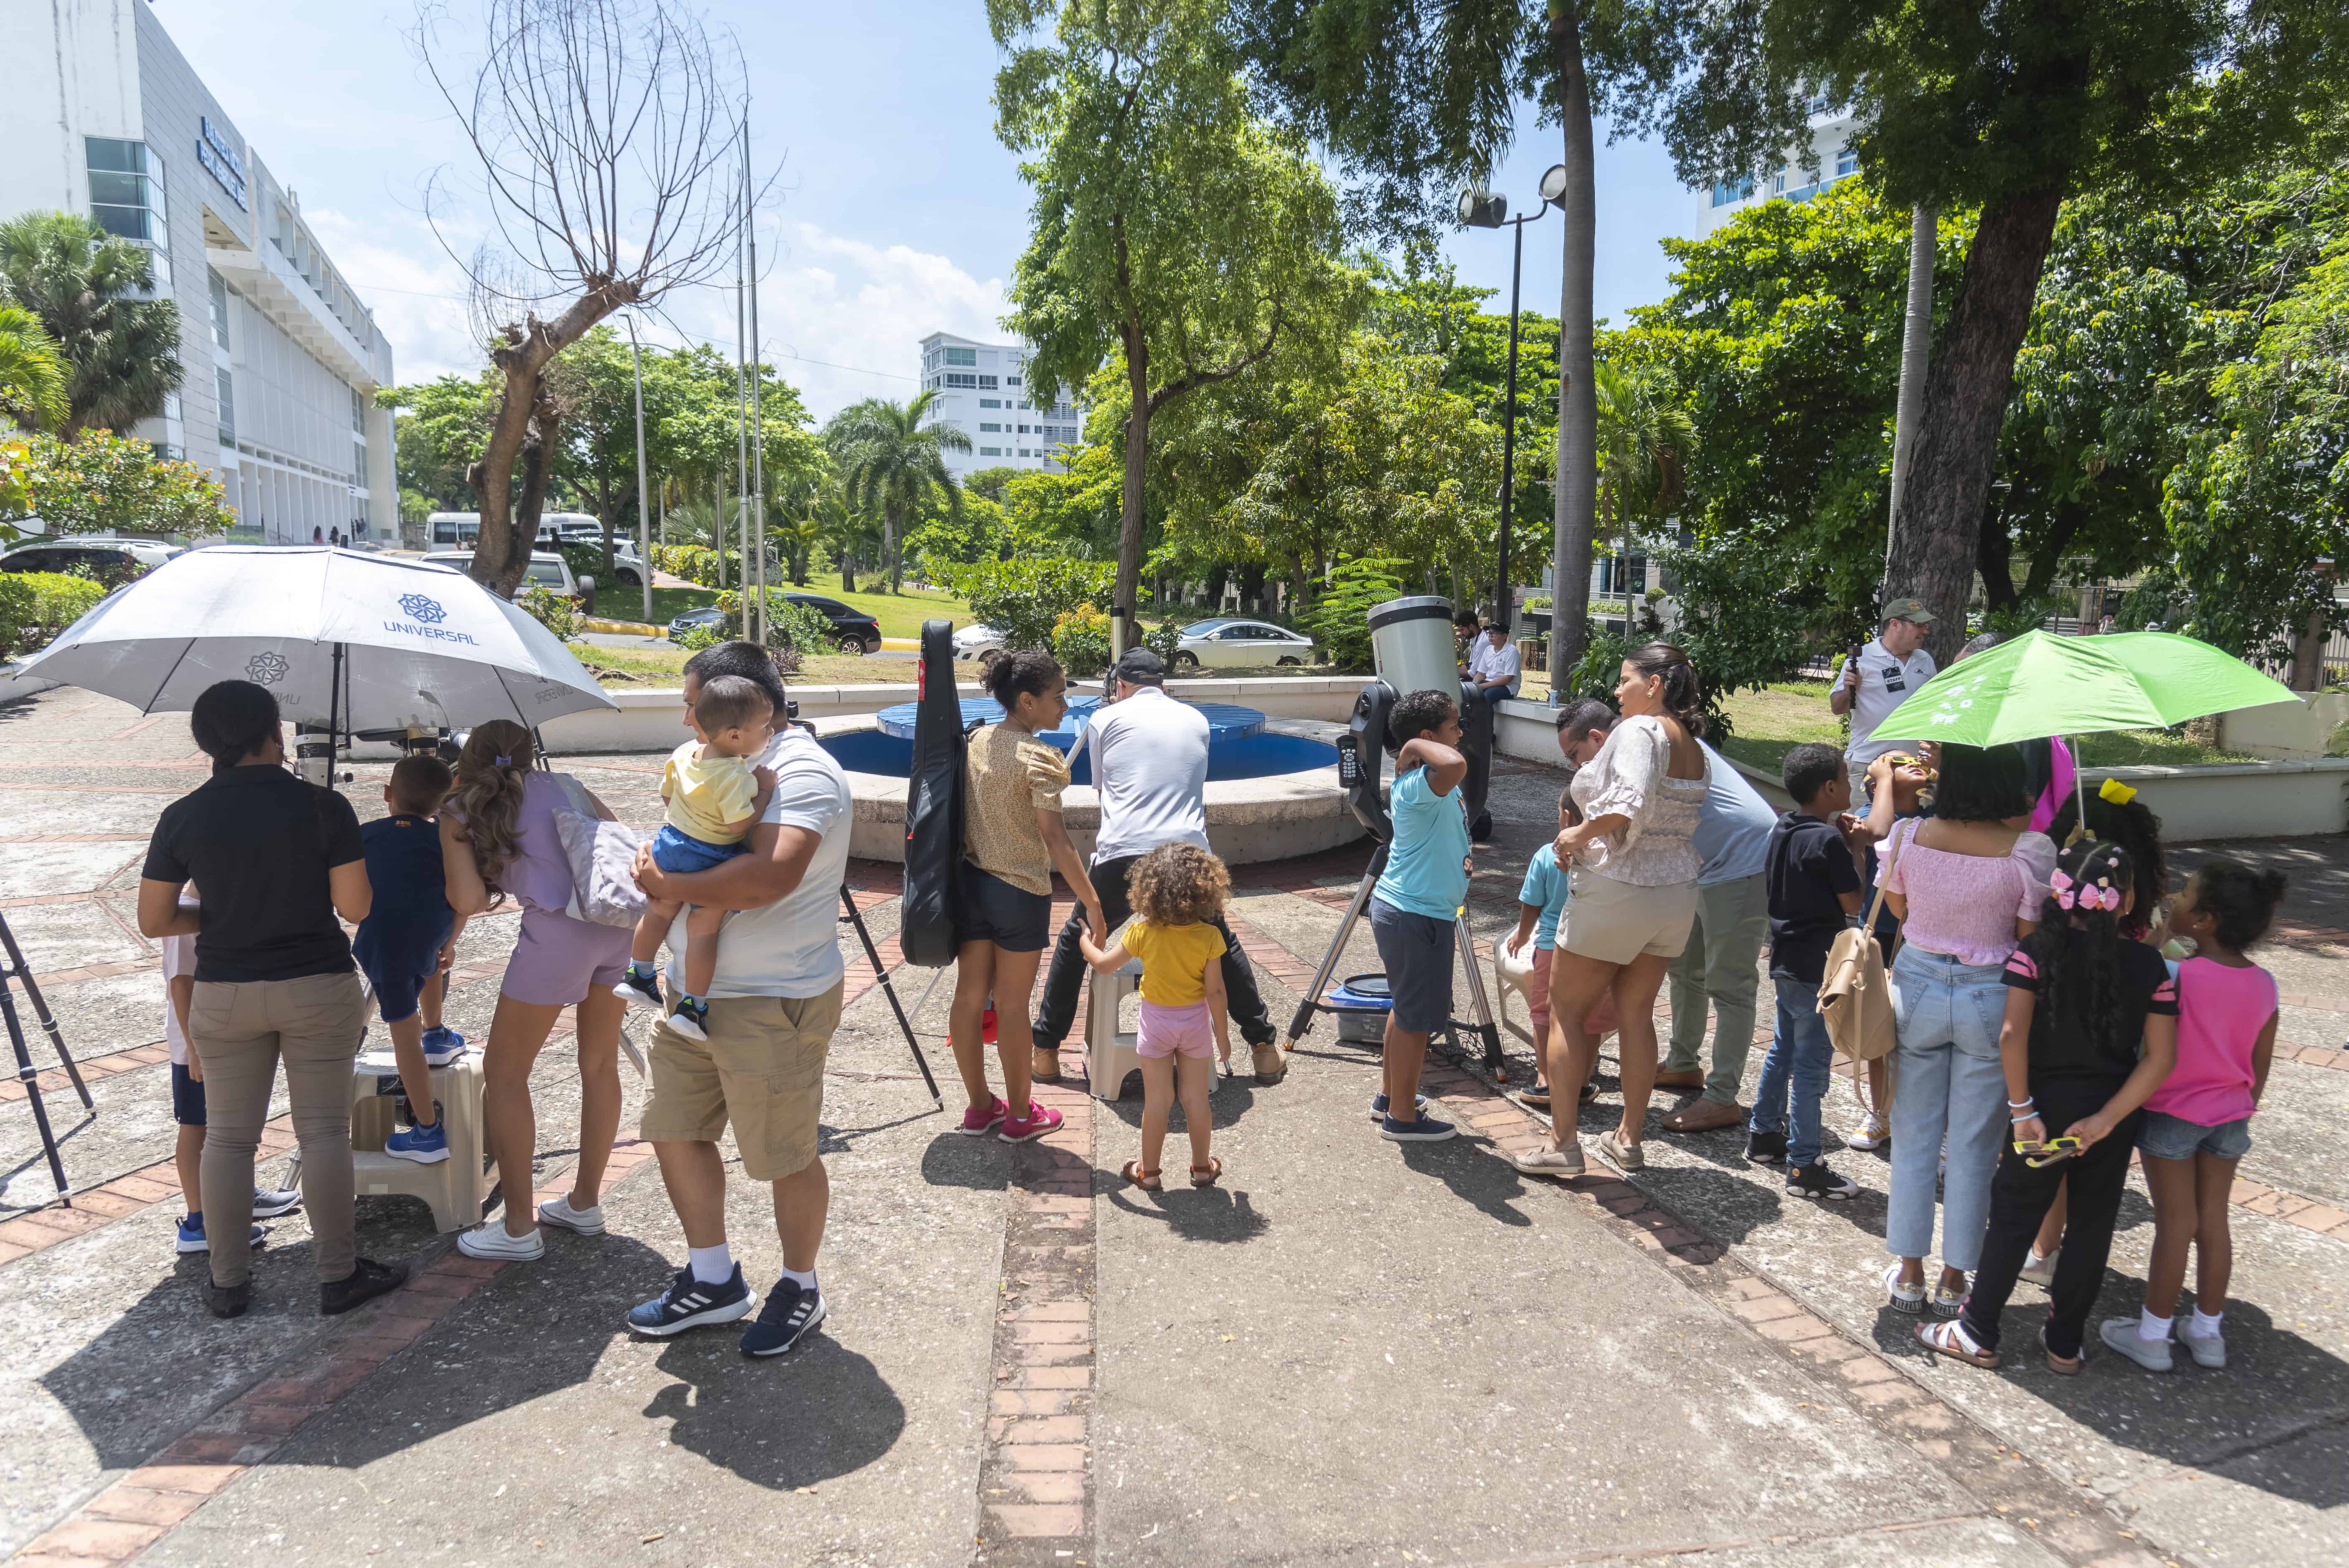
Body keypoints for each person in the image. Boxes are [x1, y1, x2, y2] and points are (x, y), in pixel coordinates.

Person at [136, 680, 407, 1319]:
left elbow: (154, 919)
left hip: (225, 994)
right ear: (274, 732)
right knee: (321, 1134)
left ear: (208, 742)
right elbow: (355, 907)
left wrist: (222, 915)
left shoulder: (182, 816)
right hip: (316, 984)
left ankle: (228, 1283)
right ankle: (337, 1276)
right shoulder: (323, 808)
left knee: (229, 1141)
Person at [624, 641, 854, 1356]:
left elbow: (766, 880)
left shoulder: (803, 772)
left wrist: (666, 887)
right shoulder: (711, 755)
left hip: (771, 998)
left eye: (697, 703)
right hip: (692, 995)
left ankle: (801, 1286)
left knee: (783, 1154)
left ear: (752, 708)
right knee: (672, 1128)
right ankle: (713, 1278)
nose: (688, 718)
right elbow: (681, 835)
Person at [1916, 839, 2177, 1373]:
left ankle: (1977, 1330)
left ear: (2055, 895)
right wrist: (2106, 1121)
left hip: (2040, 1112)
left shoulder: (2033, 954)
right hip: (2111, 1117)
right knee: (2092, 1225)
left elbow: (2011, 1034)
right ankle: (2064, 1342)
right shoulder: (2150, 966)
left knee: (2013, 1218)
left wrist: (2021, 1111)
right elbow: (2160, 1059)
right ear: (2126, 901)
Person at [1029, 648, 1284, 1086]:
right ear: (1162, 684)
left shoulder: (1104, 720)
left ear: (1121, 687)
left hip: (1123, 851)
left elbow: (1103, 791)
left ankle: (1047, 1051)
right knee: (1219, 939)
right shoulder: (1196, 720)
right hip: (1188, 853)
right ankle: (1263, 1048)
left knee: (1079, 935)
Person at [443, 720, 634, 1263]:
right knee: (599, 1066)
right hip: (614, 925)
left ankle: (519, 1227)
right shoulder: (571, 786)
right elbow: (618, 847)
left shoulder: (461, 809)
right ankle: (584, 1201)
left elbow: (468, 901)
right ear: (531, 752)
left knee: (505, 1076)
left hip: (555, 937)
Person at [1517, 644, 1710, 1178]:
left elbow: (1625, 801)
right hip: (1675, 894)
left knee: (1567, 1013)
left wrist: (1577, 831)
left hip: (1619, 888)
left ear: (1655, 685)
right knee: (1636, 1015)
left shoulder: (1638, 732)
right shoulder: (1691, 743)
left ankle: (1563, 1143)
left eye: (1626, 681)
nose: (1618, 691)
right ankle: (1628, 1137)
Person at [1877, 742, 2054, 1317]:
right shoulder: (2028, 850)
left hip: (1917, 986)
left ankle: (1908, 1273)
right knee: (1975, 1145)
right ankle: (1955, 1279)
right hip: (1991, 993)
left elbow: (1899, 911)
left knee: (1912, 1135)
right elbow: (2030, 931)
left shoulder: (1909, 836)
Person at [2103, 858, 2285, 1373]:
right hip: (2231, 1117)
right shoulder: (2265, 985)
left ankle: (2153, 1335)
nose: (2175, 902)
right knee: (2213, 1223)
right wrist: (2240, 1106)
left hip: (2171, 1116)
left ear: (2204, 920)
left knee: (2174, 1224)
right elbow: (2260, 1064)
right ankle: (2207, 1333)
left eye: (2184, 896)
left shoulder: (2174, 973)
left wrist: (2155, 947)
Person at [949, 650, 1102, 1145]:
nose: (1065, 705)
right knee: (1013, 1006)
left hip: (972, 886)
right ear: (1026, 701)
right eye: (1058, 698)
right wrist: (1093, 903)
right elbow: (1055, 839)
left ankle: (979, 1108)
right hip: (1020, 893)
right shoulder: (1038, 757)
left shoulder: (977, 740)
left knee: (969, 997)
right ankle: (1020, 1115)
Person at [616, 675, 779, 1040]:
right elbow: (739, 825)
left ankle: (639, 973)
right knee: (703, 932)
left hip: (670, 845)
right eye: (764, 728)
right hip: (711, 857)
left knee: (658, 910)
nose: (769, 734)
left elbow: (668, 798)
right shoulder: (736, 776)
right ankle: (693, 1008)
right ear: (735, 736)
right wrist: (765, 791)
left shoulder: (683, 754)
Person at [1745, 744, 1866, 1199]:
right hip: (1820, 967)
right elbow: (1853, 903)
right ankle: (1804, 1165)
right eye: (1847, 780)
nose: (1852, 787)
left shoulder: (1784, 826)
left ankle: (1763, 1135)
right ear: (1830, 788)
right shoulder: (1831, 841)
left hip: (1786, 960)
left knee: (1783, 1047)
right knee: (1812, 1065)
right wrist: (1856, 850)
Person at [1076, 842, 1233, 1189]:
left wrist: (1086, 941)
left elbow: (1103, 965)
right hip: (1194, 1024)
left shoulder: (1142, 932)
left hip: (1156, 1024)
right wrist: (1222, 1036)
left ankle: (1149, 1173)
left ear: (1149, 891)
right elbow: (1216, 992)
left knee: (1158, 1099)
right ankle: (1202, 1168)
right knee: (1195, 1098)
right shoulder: (1210, 936)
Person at [159, 884, 301, 1258]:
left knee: (230, 1123)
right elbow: (180, 984)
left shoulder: (223, 901)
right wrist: (194, 1049)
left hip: (222, 1034)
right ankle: (198, 1222)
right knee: (197, 1125)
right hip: (197, 1041)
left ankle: (236, 1194)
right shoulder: (185, 912)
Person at [1654, 730, 1778, 1134]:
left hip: (1742, 859)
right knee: (1684, 967)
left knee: (1730, 985)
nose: (1619, 692)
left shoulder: (1652, 742)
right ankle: (1682, 1064)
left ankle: (1722, 1098)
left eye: (1575, 753)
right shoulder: (1649, 739)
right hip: (1701, 862)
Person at [1367, 689, 1472, 1143]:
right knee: (1416, 1021)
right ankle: (1403, 1119)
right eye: (1453, 726)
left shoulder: (1427, 782)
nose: (1462, 731)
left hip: (1411, 911)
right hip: (1417, 916)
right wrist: (1410, 748)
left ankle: (1392, 1097)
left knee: (1404, 1010)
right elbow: (1454, 764)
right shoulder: (1422, 782)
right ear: (1431, 738)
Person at [353, 755, 468, 1166]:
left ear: (388, 794)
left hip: (384, 949)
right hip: (433, 936)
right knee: (434, 962)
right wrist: (451, 940)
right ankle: (435, 1031)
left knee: (405, 1042)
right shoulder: (446, 839)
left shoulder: (364, 836)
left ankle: (426, 1130)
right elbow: (463, 896)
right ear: (441, 803)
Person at [1840, 749, 1936, 1150]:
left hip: (1921, 939)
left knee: (1920, 1035)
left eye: (1911, 758)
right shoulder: (1870, 816)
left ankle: (1925, 1119)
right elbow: (1878, 833)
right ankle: (1880, 1113)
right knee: (1879, 1027)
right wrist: (1881, 783)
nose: (1909, 761)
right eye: (1894, 763)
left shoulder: (1937, 820)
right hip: (1880, 937)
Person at [1504, 789, 1576, 1109]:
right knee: (1580, 1015)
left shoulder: (1547, 855)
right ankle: (1582, 1080)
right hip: (1590, 948)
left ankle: (1545, 1079)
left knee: (1543, 1015)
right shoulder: (1604, 856)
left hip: (1550, 946)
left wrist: (1522, 935)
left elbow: (1532, 903)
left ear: (1565, 816)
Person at [1832, 600, 1937, 806]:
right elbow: (1837, 708)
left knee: (1910, 833)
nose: (1926, 631)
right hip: (1869, 763)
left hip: (1913, 767)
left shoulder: (1925, 660)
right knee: (1864, 831)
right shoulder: (1862, 658)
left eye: (1926, 625)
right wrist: (1848, 690)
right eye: (1919, 625)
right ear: (1895, 625)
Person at [1463, 622, 1521, 715]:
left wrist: (1482, 687)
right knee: (1468, 695)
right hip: (1488, 682)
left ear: (1504, 636)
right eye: (1489, 633)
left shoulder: (1512, 651)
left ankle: (1487, 729)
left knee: (1487, 697)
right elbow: (1481, 674)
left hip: (1507, 687)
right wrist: (1473, 687)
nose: (1490, 636)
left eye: (1494, 634)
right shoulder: (1488, 650)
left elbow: (1508, 678)